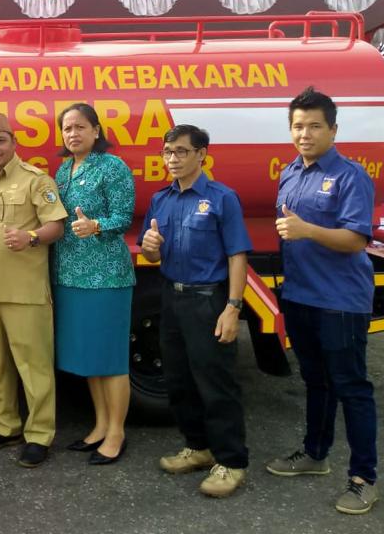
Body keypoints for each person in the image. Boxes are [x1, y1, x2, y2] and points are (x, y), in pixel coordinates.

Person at [267, 87, 379, 515]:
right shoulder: (290, 173)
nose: (305, 134)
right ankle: (315, 454)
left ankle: (363, 479)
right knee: (316, 382)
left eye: (314, 126)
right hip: (300, 296)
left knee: (352, 388)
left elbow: (355, 240)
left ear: (333, 129)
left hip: (340, 300)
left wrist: (307, 230)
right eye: (298, 126)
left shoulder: (351, 176)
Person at [139, 125, 251, 497]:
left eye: (181, 152)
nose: (172, 159)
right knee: (178, 380)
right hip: (171, 298)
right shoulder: (161, 199)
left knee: (215, 383)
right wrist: (150, 247)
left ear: (201, 154)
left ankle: (232, 462)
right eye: (167, 152)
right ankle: (198, 447)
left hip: (208, 300)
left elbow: (237, 255)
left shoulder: (222, 198)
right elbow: (151, 255)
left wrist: (232, 307)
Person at [0, 112, 67, 468]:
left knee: (34, 364)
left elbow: (57, 226)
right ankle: (5, 425)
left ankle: (39, 434)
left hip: (24, 290)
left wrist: (30, 237)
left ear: (13, 142)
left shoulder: (35, 180)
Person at [50, 103, 135, 466]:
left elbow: (124, 216)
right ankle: (100, 424)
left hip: (106, 276)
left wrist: (96, 225)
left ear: (96, 131)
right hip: (70, 275)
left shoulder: (112, 166)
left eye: (80, 127)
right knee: (89, 356)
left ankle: (117, 432)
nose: (73, 134)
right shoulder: (63, 170)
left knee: (110, 357)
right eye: (67, 128)